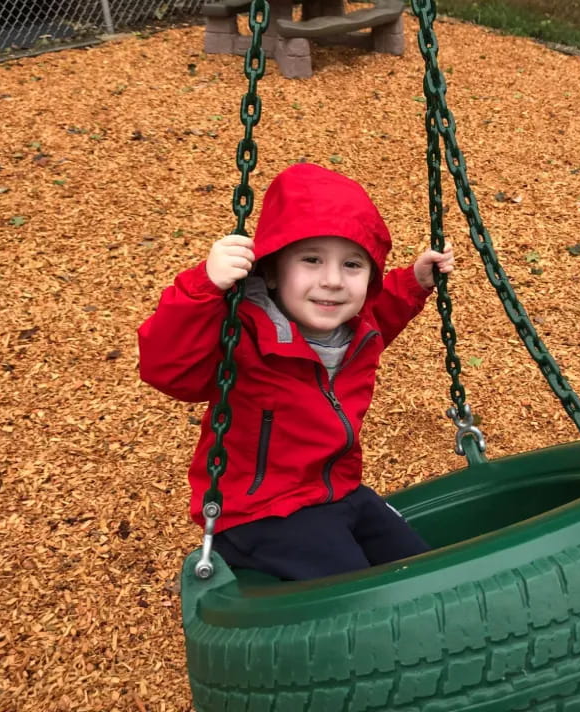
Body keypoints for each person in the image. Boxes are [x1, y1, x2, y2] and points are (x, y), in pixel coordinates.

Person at [138, 162, 454, 581]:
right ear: (270, 270)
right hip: (261, 512)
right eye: (311, 259)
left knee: (423, 566)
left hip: (339, 490)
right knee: (355, 591)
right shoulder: (243, 333)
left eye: (352, 265)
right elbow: (167, 368)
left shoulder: (358, 328)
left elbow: (384, 309)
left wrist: (415, 281)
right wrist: (204, 287)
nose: (332, 281)